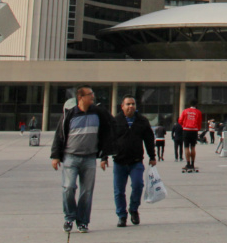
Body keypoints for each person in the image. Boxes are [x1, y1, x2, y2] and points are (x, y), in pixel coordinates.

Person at [50, 86, 115, 234]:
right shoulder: (70, 115)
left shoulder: (97, 113)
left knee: (87, 192)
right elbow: (59, 135)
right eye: (90, 95)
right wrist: (55, 156)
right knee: (68, 188)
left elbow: (106, 134)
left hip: (89, 158)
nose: (93, 97)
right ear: (81, 97)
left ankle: (83, 221)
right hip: (70, 157)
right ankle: (69, 217)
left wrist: (104, 156)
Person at [111, 95, 156, 228]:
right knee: (119, 191)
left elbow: (148, 139)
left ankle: (134, 209)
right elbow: (109, 140)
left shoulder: (142, 121)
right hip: (119, 162)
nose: (131, 106)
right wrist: (103, 158)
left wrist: (152, 156)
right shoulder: (116, 121)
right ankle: (121, 216)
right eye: (128, 104)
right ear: (122, 106)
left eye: (133, 104)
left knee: (138, 185)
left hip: (136, 161)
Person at [179, 100, 203, 173]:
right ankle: (192, 164)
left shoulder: (185, 111)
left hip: (186, 130)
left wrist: (183, 125)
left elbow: (180, 120)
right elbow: (199, 122)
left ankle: (188, 163)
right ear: (196, 104)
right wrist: (197, 128)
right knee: (193, 147)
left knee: (186, 147)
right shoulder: (198, 112)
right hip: (194, 130)